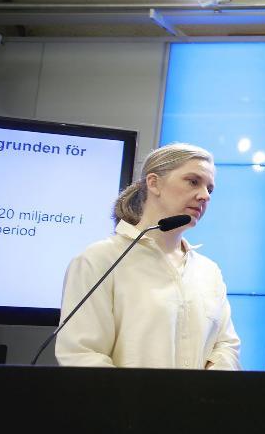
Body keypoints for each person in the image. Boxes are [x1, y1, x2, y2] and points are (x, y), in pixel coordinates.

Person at [56, 143, 241, 369]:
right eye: (193, 181)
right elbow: (81, 354)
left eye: (209, 189)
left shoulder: (208, 271)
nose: (204, 196)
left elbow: (226, 346)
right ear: (154, 183)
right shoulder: (101, 260)